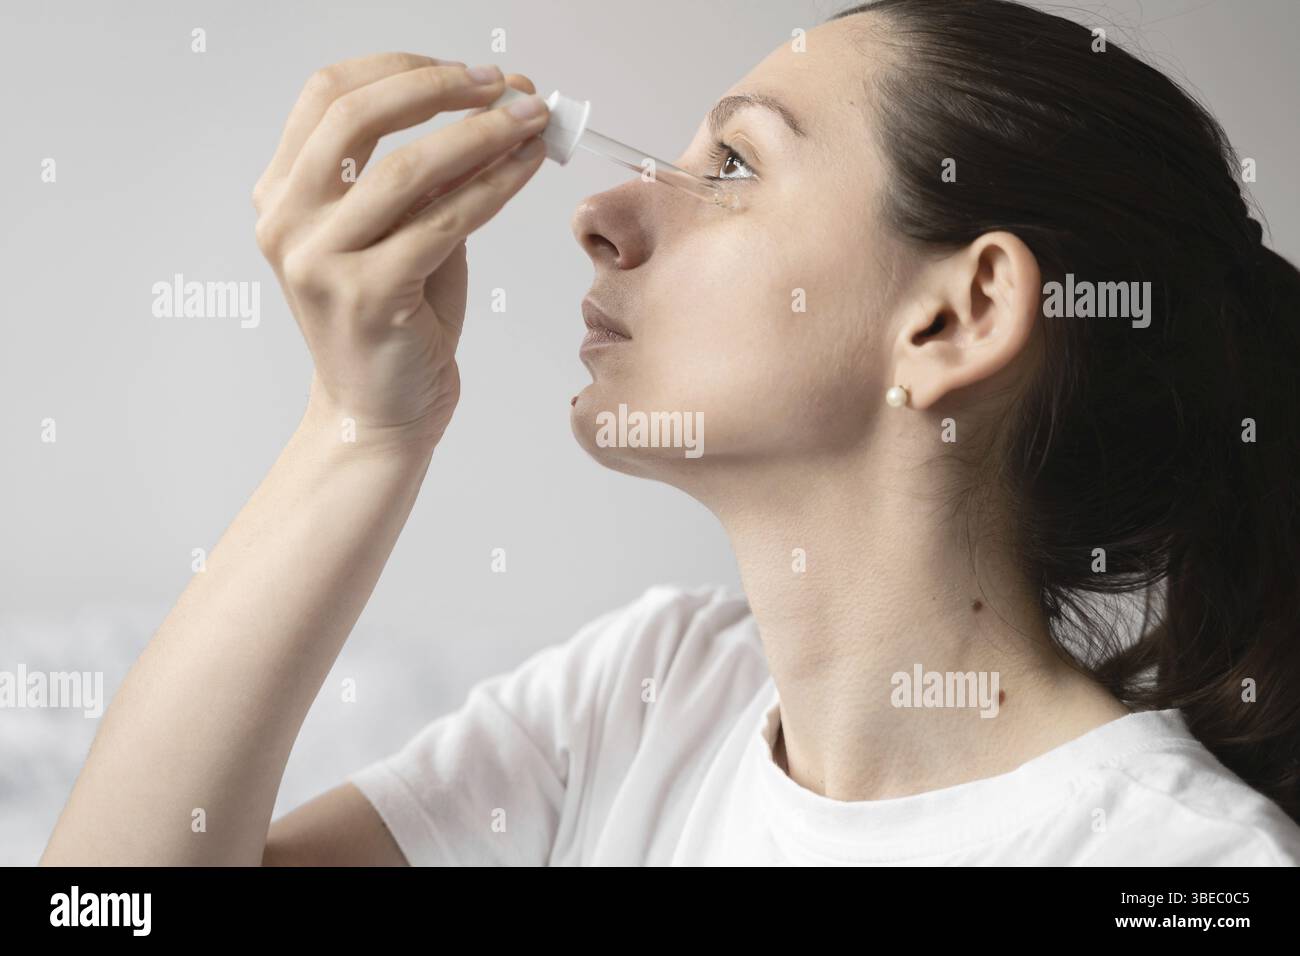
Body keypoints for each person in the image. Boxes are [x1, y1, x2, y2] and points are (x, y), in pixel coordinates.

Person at [42, 0, 1300, 866]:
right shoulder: (646, 695)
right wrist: (362, 429)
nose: (598, 213)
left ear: (953, 316)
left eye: (736, 166)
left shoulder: (1172, 864)